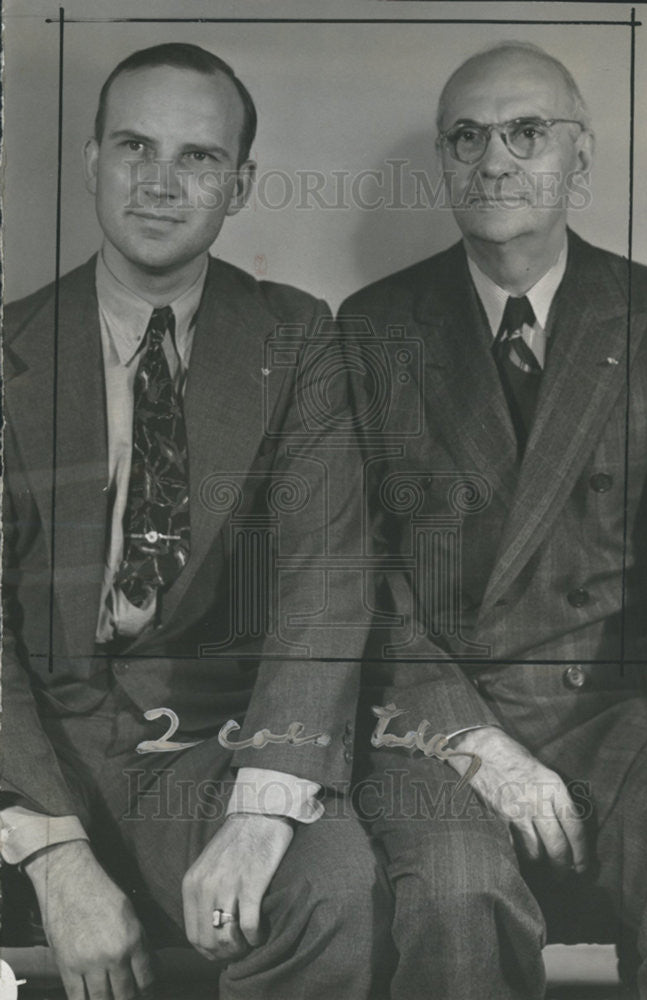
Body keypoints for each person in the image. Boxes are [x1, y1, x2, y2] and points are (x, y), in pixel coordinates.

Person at [1, 42, 391, 1000]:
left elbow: (324, 583)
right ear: (91, 159)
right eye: (135, 146)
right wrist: (52, 850)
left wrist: (262, 810)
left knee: (328, 888)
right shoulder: (9, 350)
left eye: (199, 158)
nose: (161, 183)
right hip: (28, 731)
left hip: (205, 741)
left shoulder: (295, 341)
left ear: (242, 183)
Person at [341, 41, 647, 1000]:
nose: (494, 159)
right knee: (456, 899)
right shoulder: (373, 328)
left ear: (579, 158)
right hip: (438, 722)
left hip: (609, 709)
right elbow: (352, 572)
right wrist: (476, 743)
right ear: (444, 164)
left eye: (526, 132)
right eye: (467, 137)